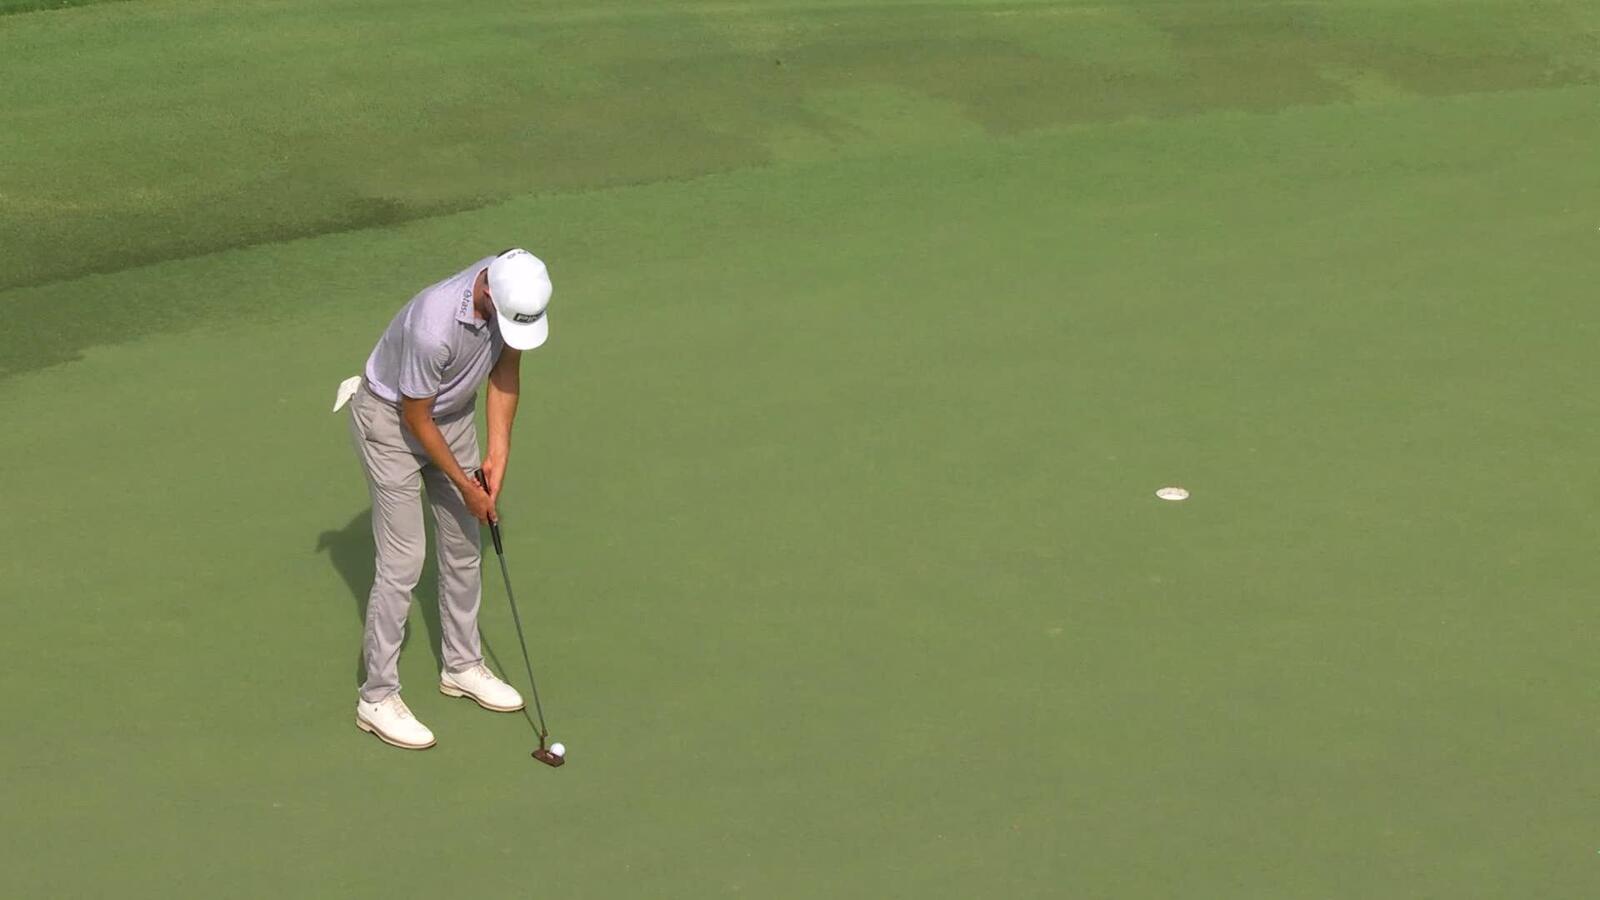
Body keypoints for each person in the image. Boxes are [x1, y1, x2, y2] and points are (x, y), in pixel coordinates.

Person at [339, 248, 552, 750]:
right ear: (485, 294)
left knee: (463, 546)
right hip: (391, 423)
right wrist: (466, 484)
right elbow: (416, 418)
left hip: (451, 420)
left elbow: (506, 371)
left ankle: (461, 665)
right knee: (404, 560)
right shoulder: (431, 326)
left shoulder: (517, 289)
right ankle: (376, 697)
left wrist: (497, 455)